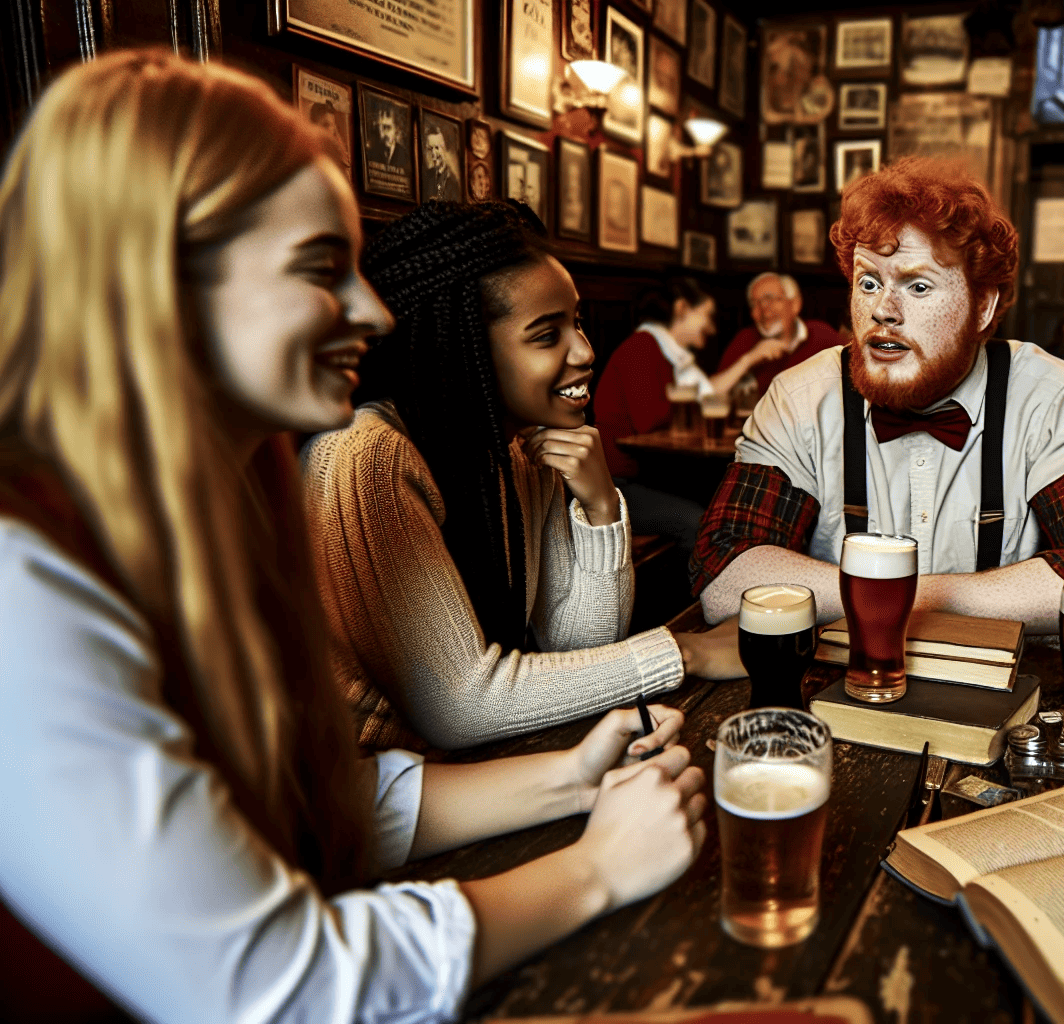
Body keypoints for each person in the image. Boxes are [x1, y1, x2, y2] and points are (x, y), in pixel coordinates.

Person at [0, 50, 705, 1024]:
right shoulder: (20, 577)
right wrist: (595, 870)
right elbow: (278, 985)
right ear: (156, 279)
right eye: (318, 268)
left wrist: (568, 777)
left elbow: (290, 805)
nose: (372, 312)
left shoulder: (215, 501)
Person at [305, 202, 740, 753]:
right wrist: (685, 651)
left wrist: (602, 508)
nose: (585, 351)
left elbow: (574, 645)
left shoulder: (520, 449)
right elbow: (463, 705)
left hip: (483, 765)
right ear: (462, 349)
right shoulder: (365, 457)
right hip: (370, 789)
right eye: (546, 335)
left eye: (576, 322)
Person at [691, 158, 1064, 631]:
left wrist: (920, 596)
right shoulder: (800, 396)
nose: (883, 310)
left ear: (982, 306)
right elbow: (723, 572)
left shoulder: (1049, 394)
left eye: (917, 285)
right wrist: (921, 597)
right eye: (868, 282)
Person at [591, 278, 778, 548]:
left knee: (731, 502)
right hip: (617, 486)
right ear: (681, 309)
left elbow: (699, 399)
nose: (712, 328)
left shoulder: (669, 354)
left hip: (649, 476)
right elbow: (650, 421)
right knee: (697, 519)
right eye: (707, 315)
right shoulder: (642, 347)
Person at [719, 272, 844, 393]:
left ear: (795, 304)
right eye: (755, 303)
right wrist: (748, 359)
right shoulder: (745, 339)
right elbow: (712, 393)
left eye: (770, 299)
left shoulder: (823, 335)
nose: (764, 309)